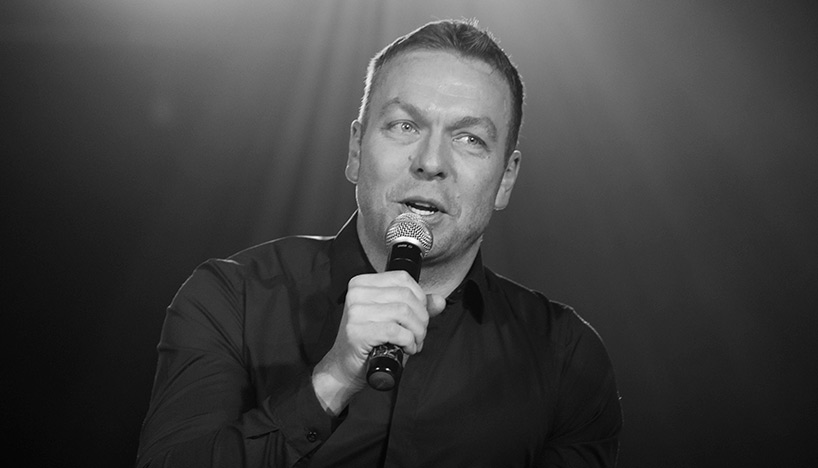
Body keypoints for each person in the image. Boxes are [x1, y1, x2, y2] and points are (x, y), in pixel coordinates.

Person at [136, 19, 622, 468]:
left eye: (470, 139)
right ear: (355, 150)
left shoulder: (566, 358)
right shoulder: (231, 299)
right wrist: (332, 380)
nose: (431, 162)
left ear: (506, 179)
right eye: (405, 126)